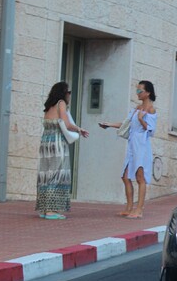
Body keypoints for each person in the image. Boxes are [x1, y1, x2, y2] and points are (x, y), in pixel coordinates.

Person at [99, 81, 157, 219]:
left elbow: (150, 130)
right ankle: (129, 207)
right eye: (137, 90)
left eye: (140, 91)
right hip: (132, 143)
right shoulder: (137, 108)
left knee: (140, 177)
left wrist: (142, 119)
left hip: (142, 145)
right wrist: (109, 125)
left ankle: (139, 209)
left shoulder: (151, 110)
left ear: (147, 93)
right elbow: (127, 124)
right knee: (125, 176)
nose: (137, 93)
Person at [36, 81, 89, 220]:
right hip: (58, 142)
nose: (70, 95)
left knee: (46, 174)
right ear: (63, 93)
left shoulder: (49, 106)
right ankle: (51, 211)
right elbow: (66, 123)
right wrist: (79, 129)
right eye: (69, 92)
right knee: (57, 173)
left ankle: (46, 208)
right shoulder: (61, 103)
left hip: (46, 143)